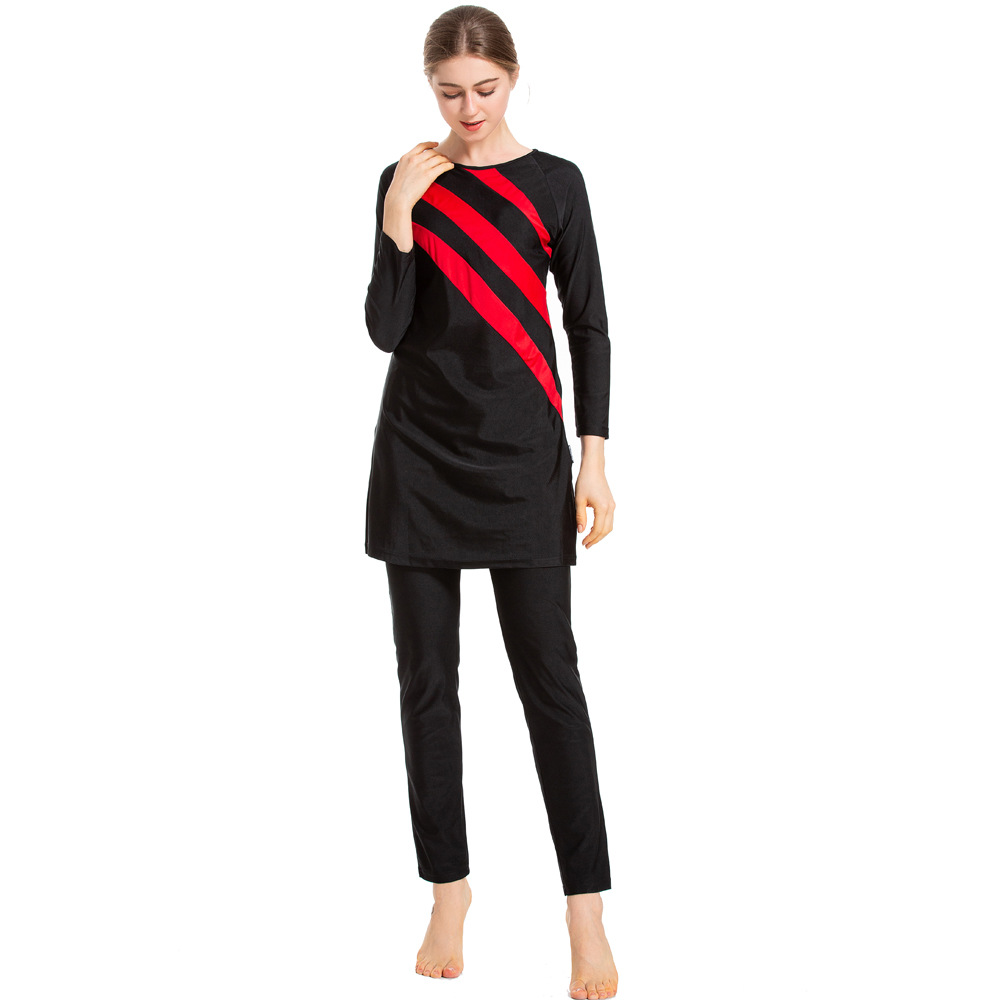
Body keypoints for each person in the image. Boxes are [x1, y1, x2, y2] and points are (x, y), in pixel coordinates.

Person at [363, 6, 618, 999]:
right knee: (426, 684)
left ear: (513, 77)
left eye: (484, 89)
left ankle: (585, 911)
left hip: (523, 460)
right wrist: (399, 218)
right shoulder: (407, 179)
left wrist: (594, 461)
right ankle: (448, 889)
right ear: (428, 86)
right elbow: (387, 328)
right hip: (418, 456)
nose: (467, 109)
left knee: (551, 683)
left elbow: (589, 325)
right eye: (448, 92)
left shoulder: (556, 184)